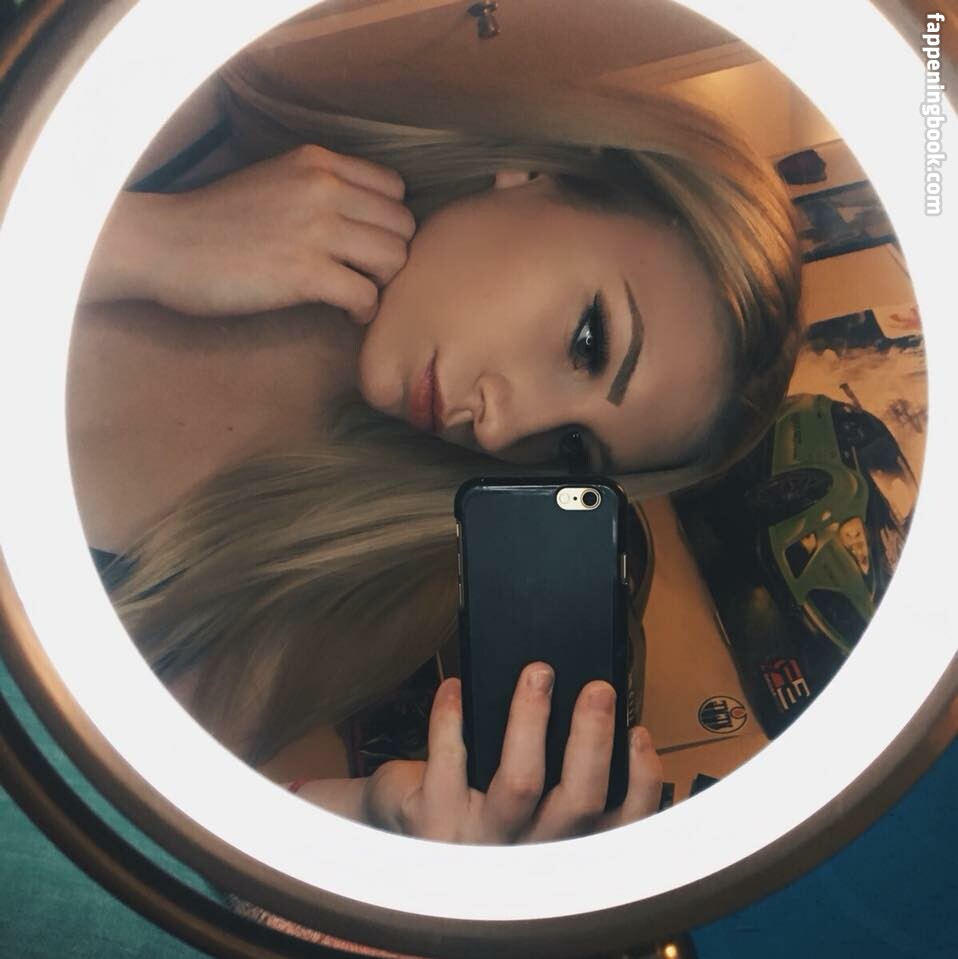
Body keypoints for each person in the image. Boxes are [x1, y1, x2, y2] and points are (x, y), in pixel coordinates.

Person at [68, 46, 802, 844]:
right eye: (588, 340)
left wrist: (379, 816)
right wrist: (134, 242)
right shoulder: (169, 107)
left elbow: (120, 813)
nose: (501, 428)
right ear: (538, 168)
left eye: (572, 448)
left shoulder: (354, 584)